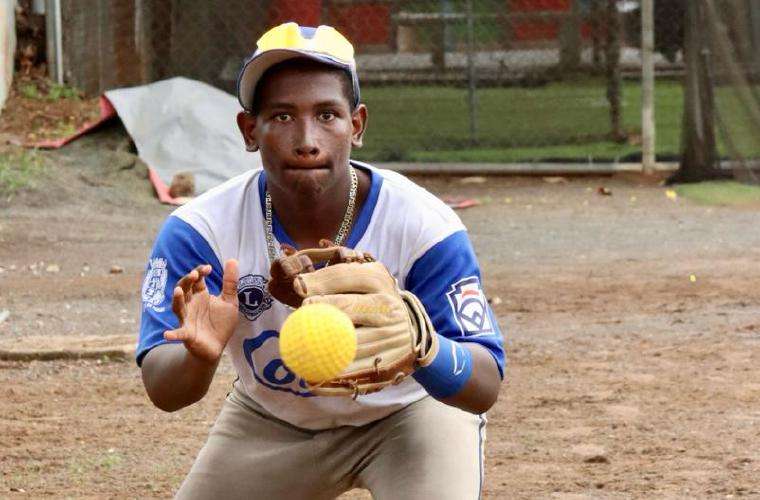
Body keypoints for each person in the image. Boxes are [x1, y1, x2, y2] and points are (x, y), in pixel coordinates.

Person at [137, 22, 505, 499]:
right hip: (273, 421)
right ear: (250, 130)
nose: (307, 138)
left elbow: (484, 383)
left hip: (409, 418)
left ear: (357, 124)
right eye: (283, 117)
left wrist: (424, 344)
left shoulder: (422, 225)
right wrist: (197, 356)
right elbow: (165, 393)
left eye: (328, 114)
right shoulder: (201, 230)